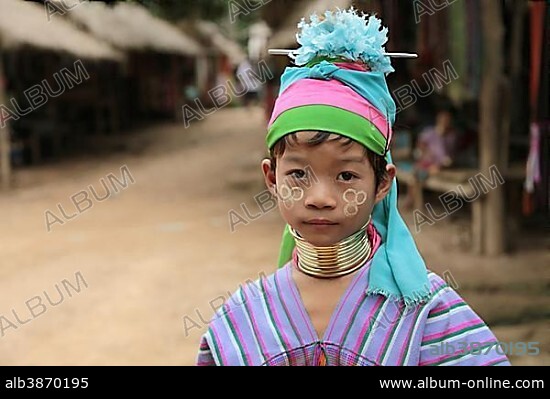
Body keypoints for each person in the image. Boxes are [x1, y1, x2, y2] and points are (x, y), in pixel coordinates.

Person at [196, 8, 510, 366]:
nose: (320, 198)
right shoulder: (240, 322)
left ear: (382, 183)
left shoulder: (430, 317)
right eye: (298, 175)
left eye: (346, 176)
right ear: (271, 178)